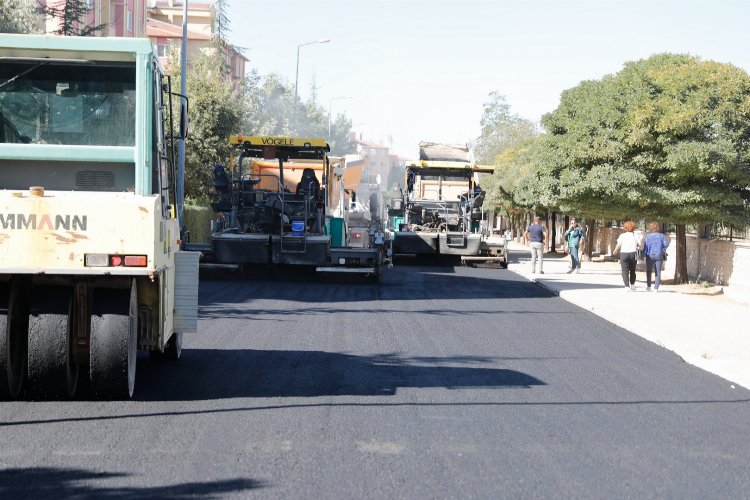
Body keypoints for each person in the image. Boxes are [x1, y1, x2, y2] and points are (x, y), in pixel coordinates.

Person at [613, 220, 642, 291]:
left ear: (625, 227)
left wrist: (615, 251)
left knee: (624, 270)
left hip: (624, 254)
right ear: (633, 227)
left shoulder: (622, 235)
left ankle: (626, 286)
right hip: (633, 254)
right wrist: (638, 246)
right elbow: (640, 244)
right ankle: (632, 285)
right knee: (632, 270)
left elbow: (618, 245)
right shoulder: (635, 235)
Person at [642, 221, 669, 293]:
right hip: (659, 255)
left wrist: (644, 256)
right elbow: (666, 245)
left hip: (650, 255)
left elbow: (645, 247)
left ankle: (648, 286)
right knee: (658, 272)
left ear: (651, 228)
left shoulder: (648, 236)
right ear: (657, 228)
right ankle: (656, 288)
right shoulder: (662, 236)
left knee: (649, 271)